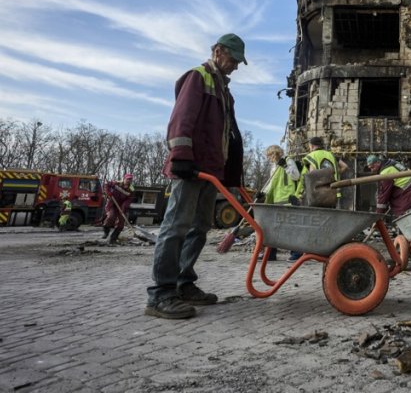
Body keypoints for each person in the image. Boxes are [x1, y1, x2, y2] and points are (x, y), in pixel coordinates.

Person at [146, 33, 247, 320]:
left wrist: (228, 172)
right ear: (218, 51)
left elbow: (224, 135)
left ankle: (183, 282)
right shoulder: (198, 77)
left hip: (210, 171)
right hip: (191, 167)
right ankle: (160, 294)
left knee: (199, 227)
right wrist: (180, 158)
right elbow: (182, 119)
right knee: (175, 227)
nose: (236, 66)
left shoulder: (223, 90)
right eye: (234, 59)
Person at [260, 145, 301, 260]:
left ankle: (296, 254)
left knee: (290, 227)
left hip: (287, 199)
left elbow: (296, 176)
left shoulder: (288, 161)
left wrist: (285, 166)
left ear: (275, 153)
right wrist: (263, 193)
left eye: (269, 155)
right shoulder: (274, 167)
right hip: (275, 200)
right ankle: (271, 254)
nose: (268, 158)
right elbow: (272, 183)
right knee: (273, 227)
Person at [299, 136, 349, 207]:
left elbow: (312, 175)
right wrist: (335, 174)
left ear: (311, 145)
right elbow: (345, 166)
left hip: (319, 194)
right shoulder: (331, 155)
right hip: (334, 192)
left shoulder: (312, 156)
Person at [366, 154, 411, 218]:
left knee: (402, 212)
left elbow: (384, 195)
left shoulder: (385, 172)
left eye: (373, 167)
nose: (372, 170)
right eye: (370, 168)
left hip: (408, 192)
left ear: (378, 162)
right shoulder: (390, 163)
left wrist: (378, 214)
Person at [102, 173, 135, 244]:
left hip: (122, 205)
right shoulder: (116, 183)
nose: (129, 180)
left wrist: (123, 207)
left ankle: (113, 238)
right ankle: (106, 232)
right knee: (111, 217)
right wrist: (108, 193)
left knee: (121, 223)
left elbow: (129, 199)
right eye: (127, 179)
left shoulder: (131, 189)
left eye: (130, 179)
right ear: (124, 178)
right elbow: (106, 185)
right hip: (112, 204)